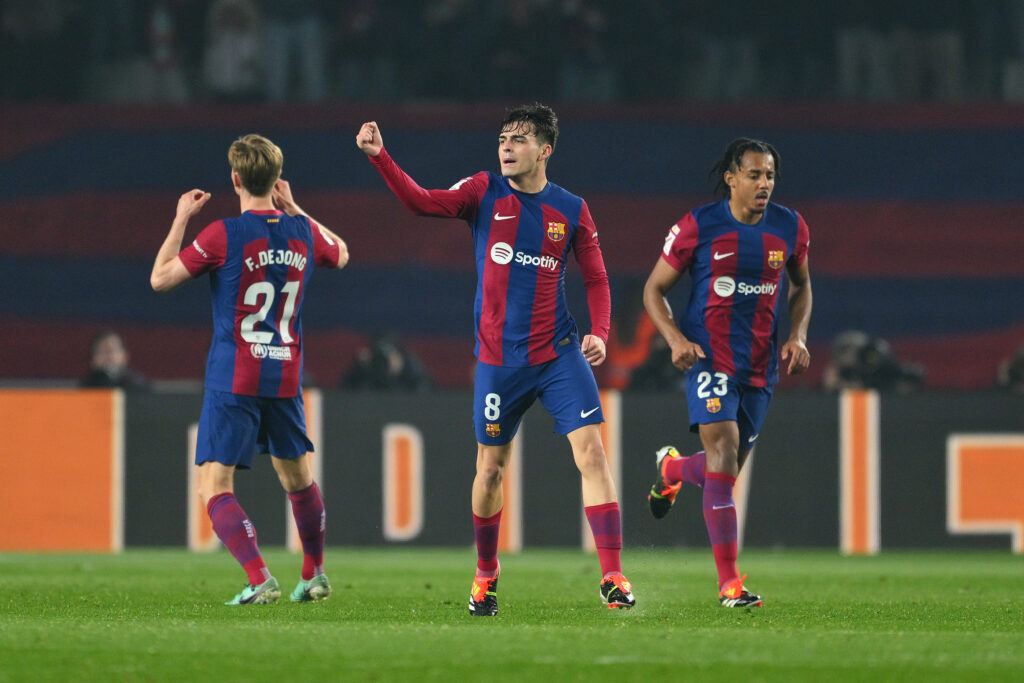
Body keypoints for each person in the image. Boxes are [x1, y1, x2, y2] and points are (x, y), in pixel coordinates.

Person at [356, 103, 635, 615]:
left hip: (558, 354)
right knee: (489, 472)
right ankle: (486, 573)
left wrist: (600, 332)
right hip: (498, 361)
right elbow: (422, 203)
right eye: (503, 137)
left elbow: (596, 277)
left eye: (519, 139)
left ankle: (612, 575)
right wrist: (381, 157)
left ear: (544, 151)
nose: (506, 146)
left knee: (592, 454)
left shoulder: (571, 209)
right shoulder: (484, 190)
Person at [150, 134, 349, 605]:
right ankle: (315, 573)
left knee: (213, 484)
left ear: (235, 179)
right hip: (285, 374)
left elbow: (159, 279)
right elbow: (340, 252)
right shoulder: (301, 231)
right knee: (298, 479)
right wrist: (296, 207)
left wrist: (180, 218)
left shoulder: (223, 233)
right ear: (277, 179)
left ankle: (259, 577)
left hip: (234, 375)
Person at [642, 138, 813, 608]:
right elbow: (654, 290)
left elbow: (801, 287)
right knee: (722, 449)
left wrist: (797, 335)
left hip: (759, 369)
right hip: (709, 359)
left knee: (723, 471)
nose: (764, 184)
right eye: (755, 175)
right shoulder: (698, 225)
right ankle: (729, 584)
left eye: (771, 176)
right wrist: (676, 340)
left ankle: (672, 468)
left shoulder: (790, 227)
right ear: (732, 179)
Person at [79, 329, 148, 391]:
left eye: (113, 350)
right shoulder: (85, 389)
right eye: (102, 351)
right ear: (93, 360)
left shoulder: (137, 385)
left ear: (125, 356)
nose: (109, 356)